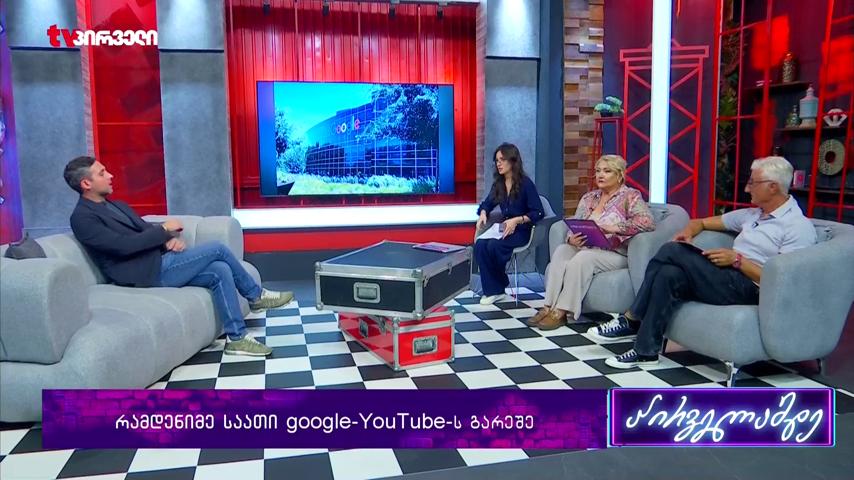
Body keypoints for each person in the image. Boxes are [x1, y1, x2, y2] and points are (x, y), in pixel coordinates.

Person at [588, 156, 817, 369]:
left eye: (753, 183)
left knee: (671, 250)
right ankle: (646, 352)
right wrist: (687, 232)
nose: (747, 188)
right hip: (728, 276)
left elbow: (785, 282)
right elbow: (700, 222)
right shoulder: (752, 215)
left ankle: (631, 318)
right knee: (668, 274)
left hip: (752, 288)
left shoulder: (796, 227)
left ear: (773, 187)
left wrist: (738, 261)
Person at [63, 156, 293, 357]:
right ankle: (255, 296)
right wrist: (163, 229)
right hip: (143, 273)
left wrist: (167, 239)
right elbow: (123, 247)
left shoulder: (117, 206)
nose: (110, 175)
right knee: (217, 248)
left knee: (219, 270)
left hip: (158, 261)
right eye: (102, 173)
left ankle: (237, 339)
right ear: (86, 183)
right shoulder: (82, 218)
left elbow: (144, 229)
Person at [531, 155, 654, 330]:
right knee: (562, 250)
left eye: (607, 171)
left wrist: (613, 228)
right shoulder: (589, 198)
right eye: (598, 171)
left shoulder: (630, 196)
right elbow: (576, 222)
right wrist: (571, 238)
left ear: (619, 175)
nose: (600, 175)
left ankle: (561, 312)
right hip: (587, 246)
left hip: (615, 253)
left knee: (584, 258)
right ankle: (547, 306)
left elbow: (647, 222)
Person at [474, 143, 545, 305]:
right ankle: (495, 289)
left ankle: (497, 287)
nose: (498, 164)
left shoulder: (526, 184)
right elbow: (487, 204)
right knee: (480, 245)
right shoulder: (499, 184)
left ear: (512, 161)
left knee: (494, 246)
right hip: (504, 228)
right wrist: (483, 213)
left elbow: (538, 212)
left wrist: (517, 220)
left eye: (502, 160)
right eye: (496, 160)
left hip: (522, 230)